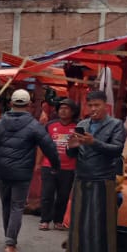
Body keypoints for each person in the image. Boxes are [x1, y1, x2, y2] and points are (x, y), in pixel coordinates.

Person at [54, 90, 126, 252]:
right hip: (82, 177)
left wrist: (94, 143)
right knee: (77, 223)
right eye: (91, 105)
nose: (94, 109)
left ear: (105, 106)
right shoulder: (82, 124)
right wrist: (71, 147)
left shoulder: (116, 125)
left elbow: (117, 150)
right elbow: (73, 155)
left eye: (97, 105)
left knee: (102, 225)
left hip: (103, 179)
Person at [0, 89, 58, 252]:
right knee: (17, 206)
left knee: (6, 205)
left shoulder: (0, 123)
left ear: (11, 103)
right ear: (29, 105)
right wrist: (56, 165)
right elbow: (48, 146)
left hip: (3, 170)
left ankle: (9, 239)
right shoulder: (34, 125)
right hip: (22, 172)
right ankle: (10, 243)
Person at [40, 99, 78, 231]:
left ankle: (58, 220)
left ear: (73, 112)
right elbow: (42, 145)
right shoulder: (50, 125)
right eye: (61, 108)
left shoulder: (78, 127)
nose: (63, 110)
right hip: (49, 165)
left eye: (67, 108)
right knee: (47, 194)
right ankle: (45, 220)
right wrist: (38, 163)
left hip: (69, 168)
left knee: (63, 195)